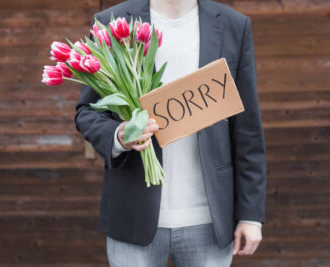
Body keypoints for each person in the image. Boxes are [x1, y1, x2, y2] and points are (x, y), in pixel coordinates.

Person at [74, 0, 266, 265]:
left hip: (210, 220)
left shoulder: (234, 25)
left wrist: (250, 215)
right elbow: (87, 111)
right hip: (133, 217)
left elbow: (248, 131)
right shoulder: (111, 21)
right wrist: (119, 135)